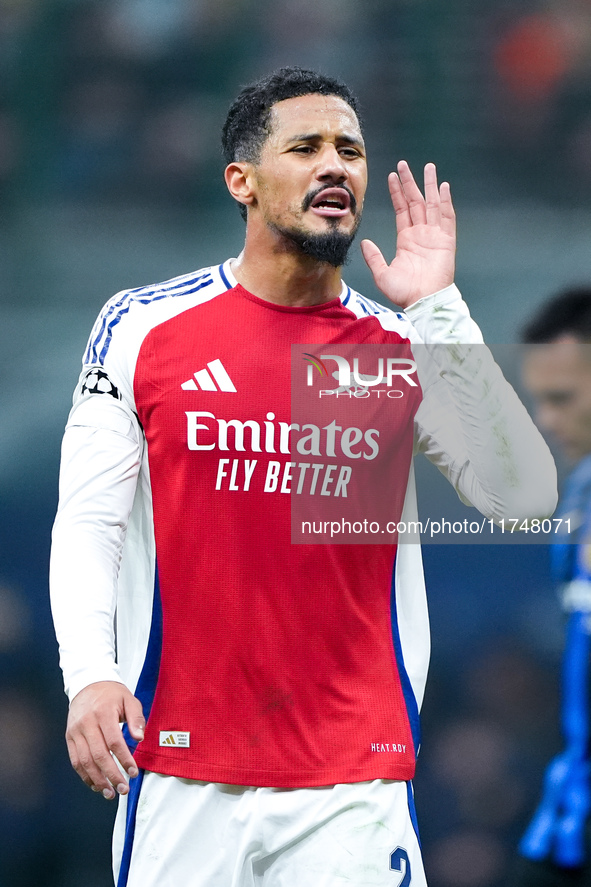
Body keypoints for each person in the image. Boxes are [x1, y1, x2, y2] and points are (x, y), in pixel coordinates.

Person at [50, 66, 557, 887]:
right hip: (178, 771)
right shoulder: (144, 326)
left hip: (349, 784)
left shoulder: (395, 344)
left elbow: (524, 497)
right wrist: (91, 675)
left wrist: (438, 309)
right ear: (241, 181)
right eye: (307, 146)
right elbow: (88, 522)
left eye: (351, 150)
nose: (337, 166)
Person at [515, 289, 591, 887]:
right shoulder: (579, 496)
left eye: (561, 398)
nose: (546, 419)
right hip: (574, 808)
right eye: (539, 400)